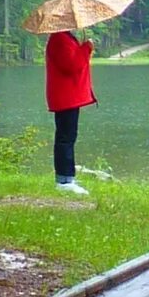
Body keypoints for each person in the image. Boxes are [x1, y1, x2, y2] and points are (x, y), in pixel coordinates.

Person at [44, 25, 96, 194]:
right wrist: (86, 48)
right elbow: (72, 66)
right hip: (65, 97)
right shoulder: (60, 39)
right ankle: (64, 181)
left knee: (68, 136)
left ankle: (67, 177)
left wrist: (83, 47)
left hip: (68, 97)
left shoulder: (65, 37)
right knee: (66, 137)